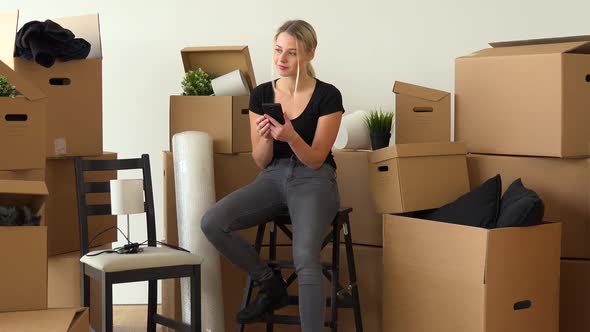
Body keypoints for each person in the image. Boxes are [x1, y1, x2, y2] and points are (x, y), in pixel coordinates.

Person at [201, 19, 344, 332]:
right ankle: (270, 284)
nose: (281, 59)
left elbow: (317, 158)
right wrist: (266, 137)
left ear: (310, 54)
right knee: (212, 222)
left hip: (314, 178)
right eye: (278, 50)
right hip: (273, 177)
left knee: (305, 257)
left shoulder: (328, 96)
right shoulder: (262, 94)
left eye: (291, 53)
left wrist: (291, 136)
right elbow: (261, 162)